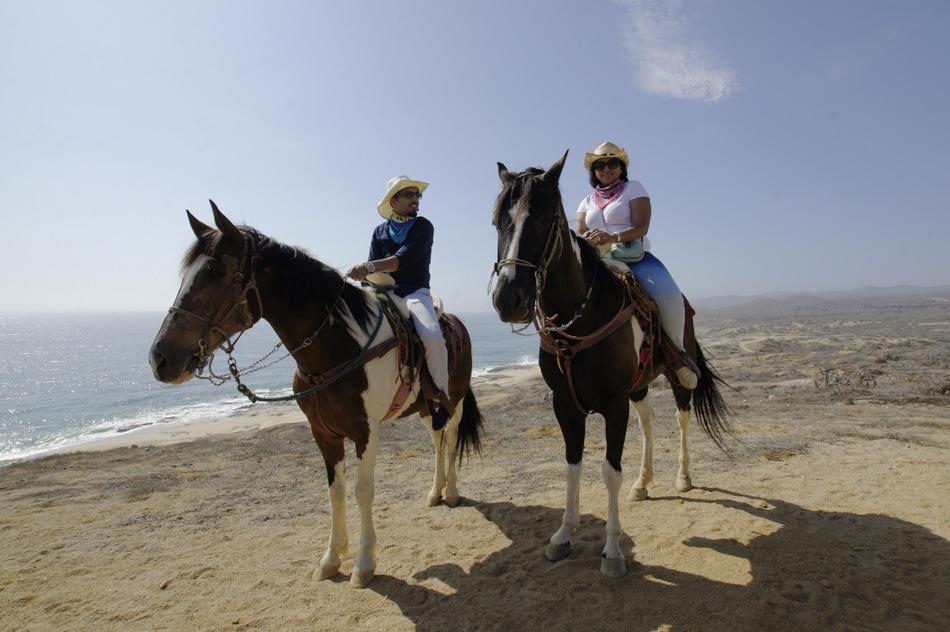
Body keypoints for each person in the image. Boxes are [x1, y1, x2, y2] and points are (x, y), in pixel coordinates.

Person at [575, 142, 699, 389]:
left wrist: (614, 237)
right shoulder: (586, 201)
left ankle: (677, 355)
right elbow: (579, 231)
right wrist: (587, 238)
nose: (606, 169)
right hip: (597, 258)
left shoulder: (634, 189)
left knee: (669, 295)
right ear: (594, 171)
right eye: (600, 165)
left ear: (621, 167)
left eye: (612, 163)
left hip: (632, 255)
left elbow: (642, 226)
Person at [346, 175, 454, 427]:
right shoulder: (379, 231)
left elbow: (403, 259)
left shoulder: (423, 226)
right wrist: (366, 282)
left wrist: (367, 266)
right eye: (410, 195)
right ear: (393, 201)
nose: (416, 199)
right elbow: (371, 274)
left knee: (433, 336)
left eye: (418, 195)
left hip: (414, 293)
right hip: (383, 292)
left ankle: (441, 396)